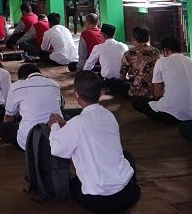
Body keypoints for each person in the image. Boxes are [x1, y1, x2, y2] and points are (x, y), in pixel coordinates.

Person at [48, 71, 141, 213]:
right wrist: (66, 124)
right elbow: (87, 131)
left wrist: (54, 125)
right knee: (126, 156)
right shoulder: (108, 115)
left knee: (72, 183)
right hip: (130, 193)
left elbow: (56, 149)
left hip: (100, 202)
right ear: (100, 93)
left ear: (76, 95)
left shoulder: (77, 124)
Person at [133, 36, 192, 124]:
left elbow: (158, 93)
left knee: (136, 100)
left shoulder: (161, 62)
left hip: (171, 115)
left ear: (166, 51)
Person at [0, 63, 63, 150]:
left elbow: (9, 116)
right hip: (57, 139)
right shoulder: (54, 84)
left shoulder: (17, 86)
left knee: (3, 128)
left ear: (22, 78)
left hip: (30, 141)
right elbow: (59, 106)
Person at [112, 27, 160, 99]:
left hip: (138, 94)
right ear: (148, 38)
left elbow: (122, 77)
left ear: (134, 39)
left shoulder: (129, 54)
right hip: (154, 91)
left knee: (114, 81)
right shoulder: (156, 51)